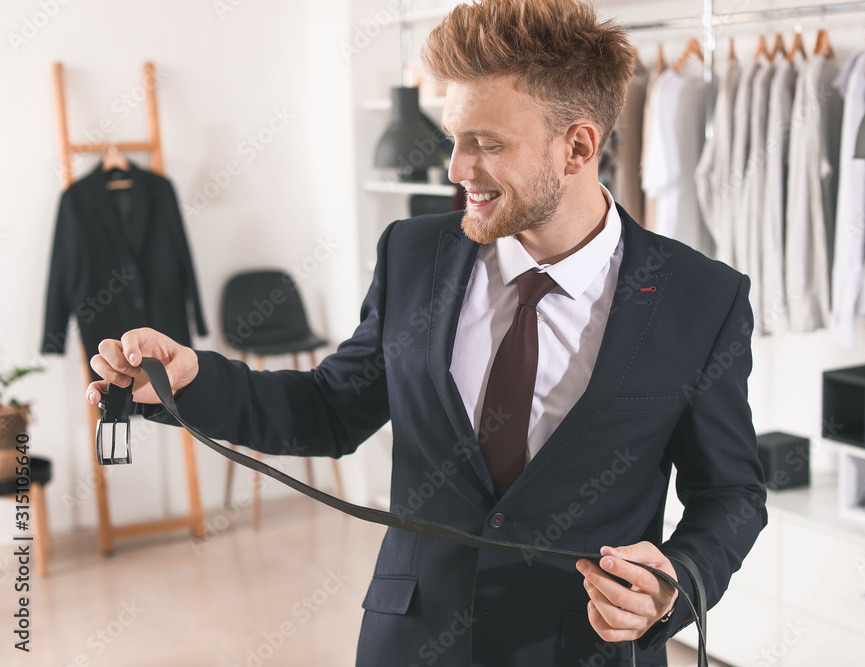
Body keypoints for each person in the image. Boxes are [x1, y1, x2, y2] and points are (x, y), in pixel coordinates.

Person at [86, 1, 766, 664]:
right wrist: (193, 381)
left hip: (584, 649)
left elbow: (730, 493)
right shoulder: (412, 255)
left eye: (485, 144)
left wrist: (673, 585)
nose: (455, 169)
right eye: (455, 138)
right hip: (411, 643)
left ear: (578, 147)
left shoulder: (701, 300)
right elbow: (330, 409)